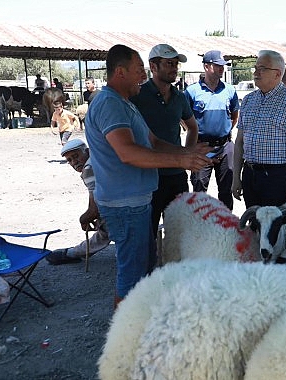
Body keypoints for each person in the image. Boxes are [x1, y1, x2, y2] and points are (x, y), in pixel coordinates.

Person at [85, 44, 212, 303]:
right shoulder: (110, 103)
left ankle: (139, 324)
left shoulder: (125, 103)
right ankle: (126, 336)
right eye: (137, 70)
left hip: (136, 200)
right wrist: (181, 158)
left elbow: (152, 141)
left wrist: (184, 155)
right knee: (131, 277)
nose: (142, 76)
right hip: (125, 204)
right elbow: (128, 152)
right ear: (120, 72)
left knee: (143, 268)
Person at [130, 44, 199, 235]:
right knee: (146, 235)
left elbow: (192, 126)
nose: (174, 68)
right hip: (146, 177)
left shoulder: (179, 96)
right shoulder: (137, 96)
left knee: (179, 234)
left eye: (176, 64)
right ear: (153, 66)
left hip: (176, 176)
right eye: (169, 64)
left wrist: (188, 154)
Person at [232, 50, 286, 208]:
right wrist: (236, 177)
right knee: (254, 225)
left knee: (276, 228)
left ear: (277, 74)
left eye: (262, 68)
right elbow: (239, 142)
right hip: (250, 175)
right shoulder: (248, 100)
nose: (256, 72)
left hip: (277, 178)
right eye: (256, 68)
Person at [184, 50, 239, 210]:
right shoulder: (192, 91)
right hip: (202, 147)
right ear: (206, 66)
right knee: (199, 188)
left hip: (225, 146)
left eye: (223, 66)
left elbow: (234, 115)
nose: (222, 69)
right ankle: (200, 226)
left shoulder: (230, 90)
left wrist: (223, 132)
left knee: (227, 188)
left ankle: (226, 226)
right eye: (218, 65)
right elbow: (184, 117)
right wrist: (194, 134)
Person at [46, 139, 111, 265]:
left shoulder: (89, 168)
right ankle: (74, 253)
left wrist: (84, 219)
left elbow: (95, 207)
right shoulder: (96, 160)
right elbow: (94, 198)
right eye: (69, 160)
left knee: (105, 232)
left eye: (76, 156)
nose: (74, 162)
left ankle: (72, 253)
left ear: (87, 151)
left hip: (120, 208)